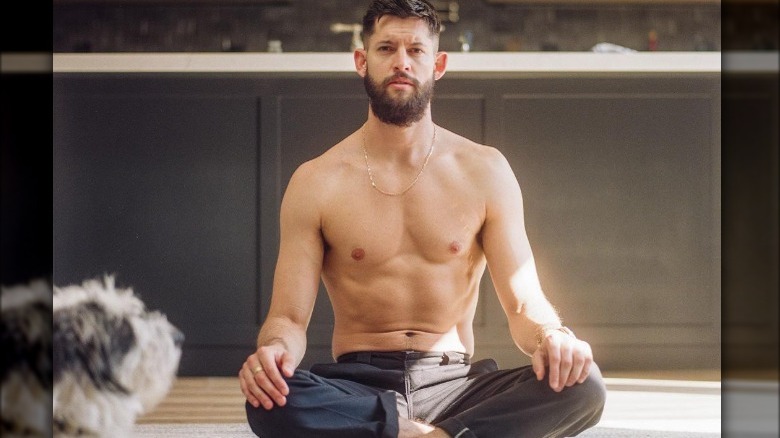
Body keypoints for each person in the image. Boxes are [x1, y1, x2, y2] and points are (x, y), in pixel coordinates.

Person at [239, 1, 606, 437]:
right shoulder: (316, 180)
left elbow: (524, 304)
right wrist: (274, 352)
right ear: (362, 60)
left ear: (439, 64)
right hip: (358, 386)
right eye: (386, 48)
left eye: (416, 50)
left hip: (455, 384)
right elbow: (288, 319)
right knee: (269, 400)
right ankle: (444, 434)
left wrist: (553, 336)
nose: (401, 62)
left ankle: (405, 433)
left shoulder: (484, 169)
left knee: (584, 385)